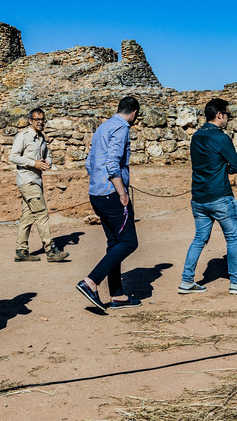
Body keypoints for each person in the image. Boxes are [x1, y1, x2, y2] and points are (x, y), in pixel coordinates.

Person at [179, 98, 237, 295]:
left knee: (199, 239)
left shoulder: (196, 136)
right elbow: (236, 166)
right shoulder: (222, 138)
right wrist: (223, 168)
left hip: (199, 196)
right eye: (228, 115)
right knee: (232, 239)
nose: (228, 119)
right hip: (220, 195)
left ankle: (187, 280)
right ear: (219, 114)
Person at [75, 96, 141, 311]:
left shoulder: (103, 127)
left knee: (115, 243)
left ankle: (118, 295)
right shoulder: (121, 128)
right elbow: (112, 163)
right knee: (129, 242)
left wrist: (98, 181)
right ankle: (91, 281)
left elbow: (90, 162)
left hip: (97, 192)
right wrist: (121, 192)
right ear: (134, 113)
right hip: (111, 193)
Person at [10, 107, 66, 263]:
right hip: (28, 180)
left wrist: (48, 161)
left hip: (36, 180)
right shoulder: (23, 136)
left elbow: (47, 154)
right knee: (42, 214)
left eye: (42, 119)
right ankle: (50, 250)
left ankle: (21, 251)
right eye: (37, 120)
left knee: (27, 217)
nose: (41, 122)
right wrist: (33, 163)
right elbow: (13, 156)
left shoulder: (41, 138)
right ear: (30, 121)